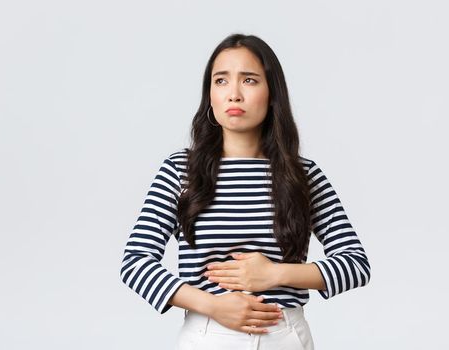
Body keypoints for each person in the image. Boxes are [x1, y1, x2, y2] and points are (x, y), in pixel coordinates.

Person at [119, 33, 371, 349]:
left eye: (249, 80)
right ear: (209, 94)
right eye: (221, 81)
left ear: (271, 93)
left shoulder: (302, 175)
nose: (234, 94)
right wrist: (212, 305)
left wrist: (275, 274)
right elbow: (135, 262)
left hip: (285, 335)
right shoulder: (180, 170)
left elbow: (356, 265)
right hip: (208, 335)